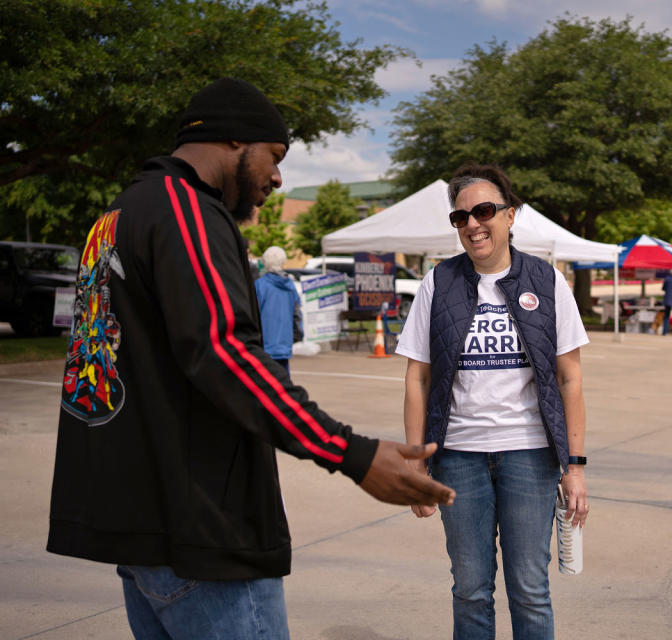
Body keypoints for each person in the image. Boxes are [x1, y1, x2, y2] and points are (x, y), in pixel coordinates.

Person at [48, 77, 455, 640]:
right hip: (203, 538)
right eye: (276, 156)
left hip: (139, 532)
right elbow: (224, 354)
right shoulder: (186, 212)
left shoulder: (117, 217)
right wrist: (352, 454)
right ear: (235, 140)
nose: (278, 177)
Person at [397, 163, 589, 640]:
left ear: (510, 215)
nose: (472, 224)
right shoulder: (438, 283)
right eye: (460, 217)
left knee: (528, 587)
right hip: (458, 457)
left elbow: (570, 379)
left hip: (530, 455)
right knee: (470, 588)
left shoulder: (546, 282)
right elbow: (416, 378)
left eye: (483, 211)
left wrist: (576, 466)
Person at [255, 245, 302, 373]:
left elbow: (254, 315)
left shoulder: (259, 286)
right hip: (284, 342)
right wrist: (297, 334)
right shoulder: (290, 286)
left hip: (265, 344)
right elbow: (297, 313)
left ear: (265, 263)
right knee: (283, 381)